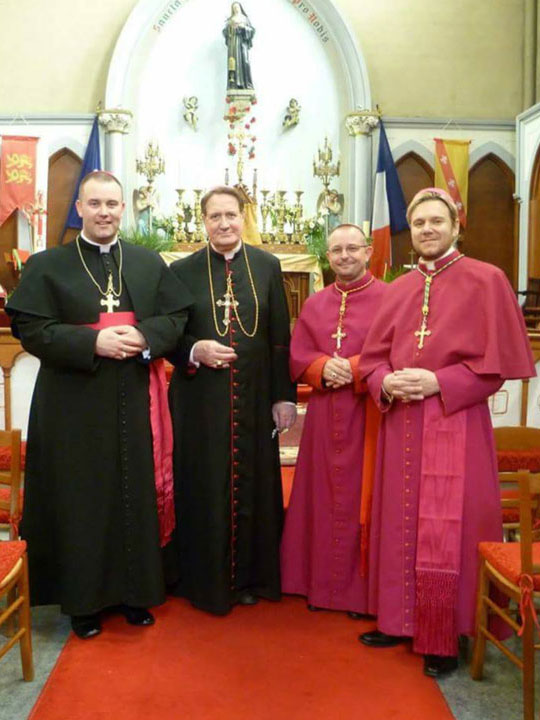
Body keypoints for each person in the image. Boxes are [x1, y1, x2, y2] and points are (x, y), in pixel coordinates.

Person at [6, 171, 192, 639]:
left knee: (132, 493)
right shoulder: (50, 265)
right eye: (95, 204)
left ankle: (135, 594)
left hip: (132, 396)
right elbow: (31, 329)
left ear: (123, 208)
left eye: (112, 203)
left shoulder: (148, 263)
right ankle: (83, 602)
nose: (104, 212)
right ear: (81, 209)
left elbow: (176, 316)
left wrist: (145, 335)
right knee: (82, 498)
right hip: (72, 402)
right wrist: (93, 343)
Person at [358, 188, 536, 676]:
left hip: (454, 421)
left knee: (449, 527)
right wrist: (385, 381)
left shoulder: (487, 280)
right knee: (398, 519)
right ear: (410, 230)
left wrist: (440, 380)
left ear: (456, 225)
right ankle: (398, 619)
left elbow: (496, 369)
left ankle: (446, 632)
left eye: (437, 221)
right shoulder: (397, 287)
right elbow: (372, 361)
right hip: (402, 426)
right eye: (419, 223)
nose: (428, 230)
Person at [167, 185, 296, 615]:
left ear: (244, 217)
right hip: (200, 400)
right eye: (214, 216)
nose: (223, 224)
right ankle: (204, 580)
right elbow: (168, 335)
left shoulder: (266, 265)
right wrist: (194, 350)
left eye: (231, 215)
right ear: (202, 221)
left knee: (254, 483)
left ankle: (250, 578)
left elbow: (280, 338)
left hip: (257, 397)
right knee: (203, 482)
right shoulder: (182, 271)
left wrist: (284, 397)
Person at [280, 224, 386, 615]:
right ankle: (316, 585)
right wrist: (322, 367)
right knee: (320, 495)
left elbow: (397, 348)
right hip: (325, 414)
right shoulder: (315, 302)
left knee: (364, 496)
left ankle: (361, 593)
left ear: (368, 250)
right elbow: (297, 353)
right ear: (328, 256)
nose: (344, 256)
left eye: (352, 248)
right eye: (336, 250)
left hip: (369, 413)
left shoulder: (390, 298)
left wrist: (355, 369)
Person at [223, 2, 255, 91]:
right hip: (233, 42)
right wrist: (231, 28)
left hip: (242, 42)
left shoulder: (245, 19)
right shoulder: (230, 20)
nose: (236, 9)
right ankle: (233, 84)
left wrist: (243, 27)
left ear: (240, 8)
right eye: (234, 8)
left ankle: (246, 84)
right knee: (233, 62)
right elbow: (225, 32)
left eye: (237, 7)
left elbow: (252, 31)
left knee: (245, 61)